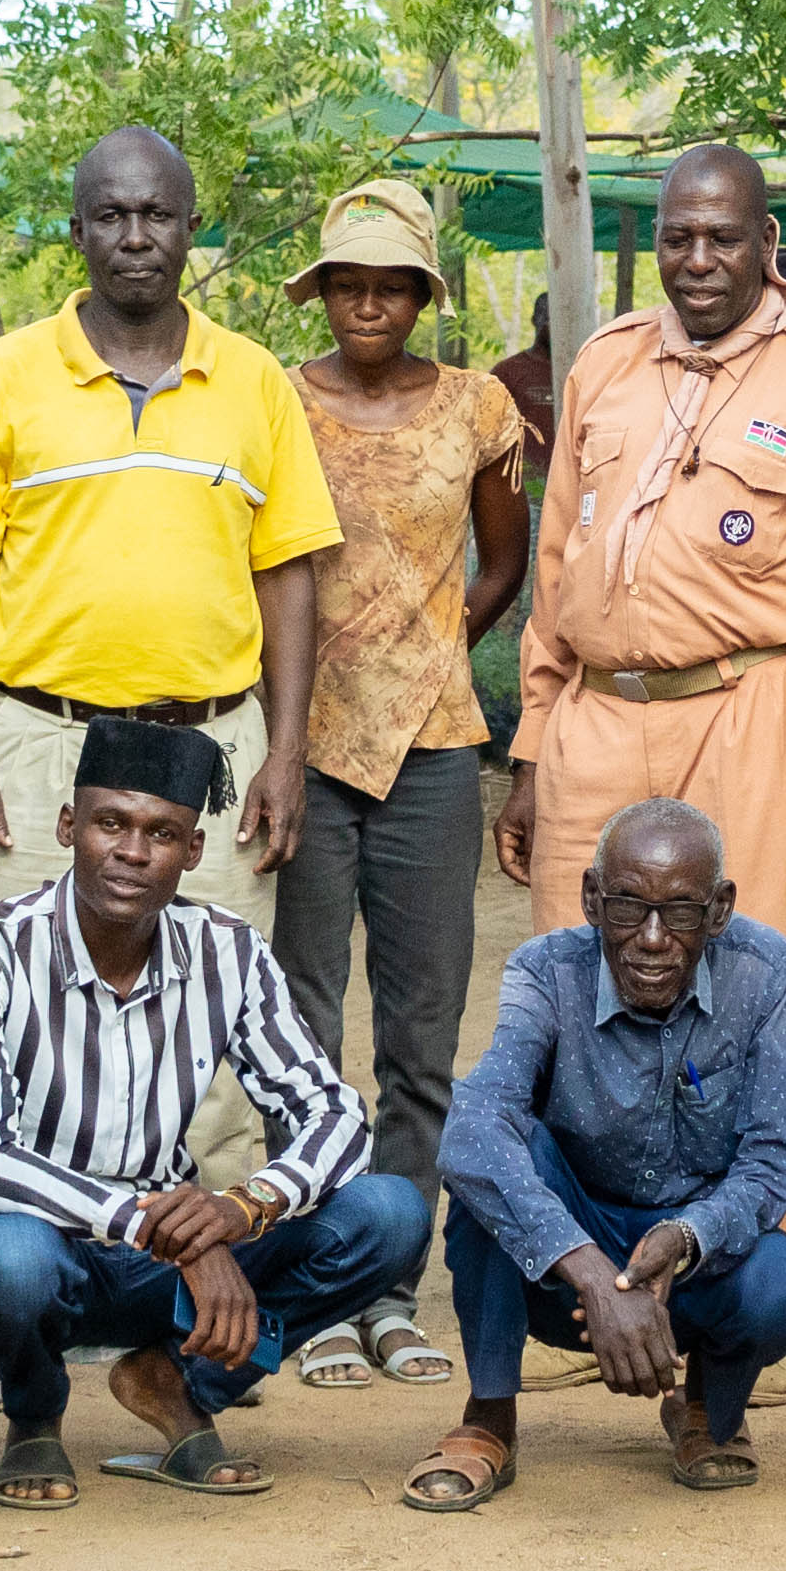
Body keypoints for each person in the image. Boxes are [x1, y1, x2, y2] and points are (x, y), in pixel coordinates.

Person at [504, 143, 786, 1375]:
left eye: (724, 238)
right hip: (595, 718)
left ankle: (772, 1309)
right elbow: (558, 558)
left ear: (767, 240)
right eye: (679, 237)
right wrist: (531, 741)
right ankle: (594, 1291)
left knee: (765, 1006)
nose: (700, 260)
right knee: (574, 1000)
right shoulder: (605, 360)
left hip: (751, 709)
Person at [0, 717, 431, 1505]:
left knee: (391, 1213)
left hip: (167, 1256)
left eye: (162, 833)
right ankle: (33, 1415)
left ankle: (180, 1383)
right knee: (11, 1262)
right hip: (46, 1242)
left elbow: (333, 1113)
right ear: (69, 827)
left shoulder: (226, 948)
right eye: (110, 824)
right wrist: (158, 1226)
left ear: (192, 853)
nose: (132, 852)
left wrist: (245, 1207)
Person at [0, 127, 339, 926]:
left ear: (190, 227)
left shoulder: (254, 380)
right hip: (40, 745)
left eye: (158, 214)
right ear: (78, 232)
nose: (137, 237)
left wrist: (286, 756)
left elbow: (286, 575)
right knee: (30, 1008)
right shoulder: (3, 378)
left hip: (213, 749)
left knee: (206, 1011)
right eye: (111, 216)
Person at [271, 176, 530, 1392]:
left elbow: (506, 557)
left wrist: (434, 644)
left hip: (432, 752)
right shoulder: (272, 401)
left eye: (393, 284)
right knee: (304, 1028)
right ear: (321, 291)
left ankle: (389, 1291)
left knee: (421, 1037)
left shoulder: (479, 406)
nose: (369, 303)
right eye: (349, 283)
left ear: (423, 293)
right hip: (301, 747)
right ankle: (317, 1284)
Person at [406, 797, 786, 1509]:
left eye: (682, 912)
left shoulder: (764, 969)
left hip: (691, 1259)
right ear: (592, 898)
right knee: (499, 1155)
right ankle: (489, 1416)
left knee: (782, 1287)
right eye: (628, 905)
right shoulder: (545, 970)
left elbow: (777, 1150)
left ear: (720, 911)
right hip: (569, 1262)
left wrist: (688, 1234)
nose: (653, 938)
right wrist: (596, 1277)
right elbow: (474, 1130)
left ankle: (704, 1408)